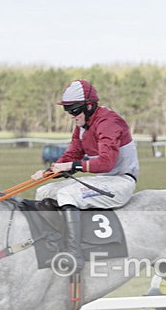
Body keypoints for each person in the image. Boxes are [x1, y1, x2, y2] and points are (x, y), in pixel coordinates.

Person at [32, 79, 139, 273]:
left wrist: (73, 166)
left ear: (89, 106)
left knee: (66, 195)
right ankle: (53, 244)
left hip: (120, 182)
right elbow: (72, 154)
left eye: (74, 110)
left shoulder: (108, 122)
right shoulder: (82, 125)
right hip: (101, 180)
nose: (71, 115)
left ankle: (74, 254)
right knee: (43, 191)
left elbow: (107, 162)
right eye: (68, 110)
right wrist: (51, 171)